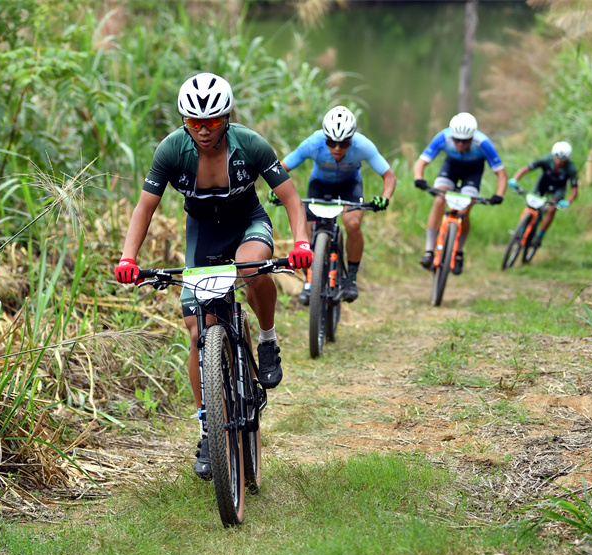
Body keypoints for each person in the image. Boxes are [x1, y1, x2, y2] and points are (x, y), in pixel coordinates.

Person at [114, 73, 312, 479]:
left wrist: (302, 244)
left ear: (226, 117)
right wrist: (127, 257)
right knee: (195, 331)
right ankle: (208, 426)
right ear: (185, 122)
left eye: (212, 122)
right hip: (203, 237)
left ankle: (268, 339)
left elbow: (291, 199)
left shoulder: (251, 144)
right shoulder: (171, 150)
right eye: (194, 123)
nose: (203, 131)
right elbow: (144, 208)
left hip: (247, 226)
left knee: (252, 269)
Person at [278, 105, 396, 305]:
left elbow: (389, 176)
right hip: (319, 185)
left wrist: (384, 198)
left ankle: (350, 278)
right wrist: (278, 193)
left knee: (353, 224)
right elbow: (281, 169)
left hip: (349, 186)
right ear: (325, 138)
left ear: (352, 138)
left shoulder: (363, 145)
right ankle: (310, 280)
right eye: (331, 142)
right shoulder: (313, 143)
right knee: (304, 232)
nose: (337, 149)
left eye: (344, 143)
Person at [412, 112, 507, 274]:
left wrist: (499, 194)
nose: (461, 145)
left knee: (465, 208)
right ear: (452, 136)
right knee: (439, 200)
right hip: (451, 167)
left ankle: (459, 252)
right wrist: (418, 178)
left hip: (473, 171)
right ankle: (429, 250)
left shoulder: (483, 143)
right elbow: (421, 162)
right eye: (457, 140)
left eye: (465, 141)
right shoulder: (443, 137)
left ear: (472, 137)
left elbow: (501, 174)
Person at [508, 141, 578, 247]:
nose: (559, 162)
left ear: (567, 159)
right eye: (557, 158)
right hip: (543, 183)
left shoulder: (571, 168)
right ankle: (521, 229)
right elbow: (526, 169)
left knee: (551, 209)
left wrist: (568, 201)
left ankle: (539, 237)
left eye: (562, 160)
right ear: (553, 155)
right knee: (531, 203)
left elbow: (575, 189)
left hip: (558, 188)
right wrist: (515, 179)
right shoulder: (546, 159)